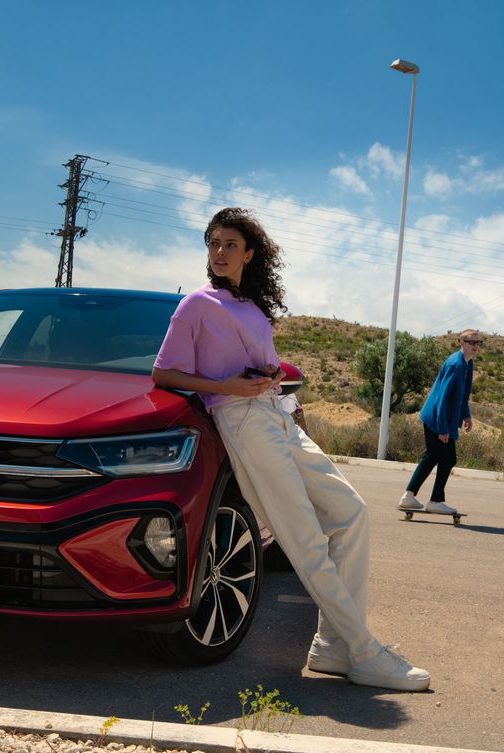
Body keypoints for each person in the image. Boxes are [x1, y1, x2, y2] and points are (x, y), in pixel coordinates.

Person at [154, 207, 430, 692]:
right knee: (304, 539)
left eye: (229, 244)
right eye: (213, 243)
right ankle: (365, 652)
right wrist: (228, 387)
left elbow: (258, 365)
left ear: (250, 253)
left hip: (276, 414)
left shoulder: (252, 307)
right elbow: (165, 374)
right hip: (241, 420)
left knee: (352, 513)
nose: (219, 252)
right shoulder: (196, 305)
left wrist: (270, 376)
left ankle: (330, 647)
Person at [398, 329, 482, 514]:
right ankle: (435, 500)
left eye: (478, 342)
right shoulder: (456, 365)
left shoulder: (468, 363)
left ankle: (409, 497)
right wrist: (442, 428)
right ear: (462, 342)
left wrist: (466, 415)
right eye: (472, 342)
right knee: (448, 458)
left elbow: (463, 395)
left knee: (432, 456)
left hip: (439, 417)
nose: (476, 346)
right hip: (438, 417)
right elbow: (444, 397)